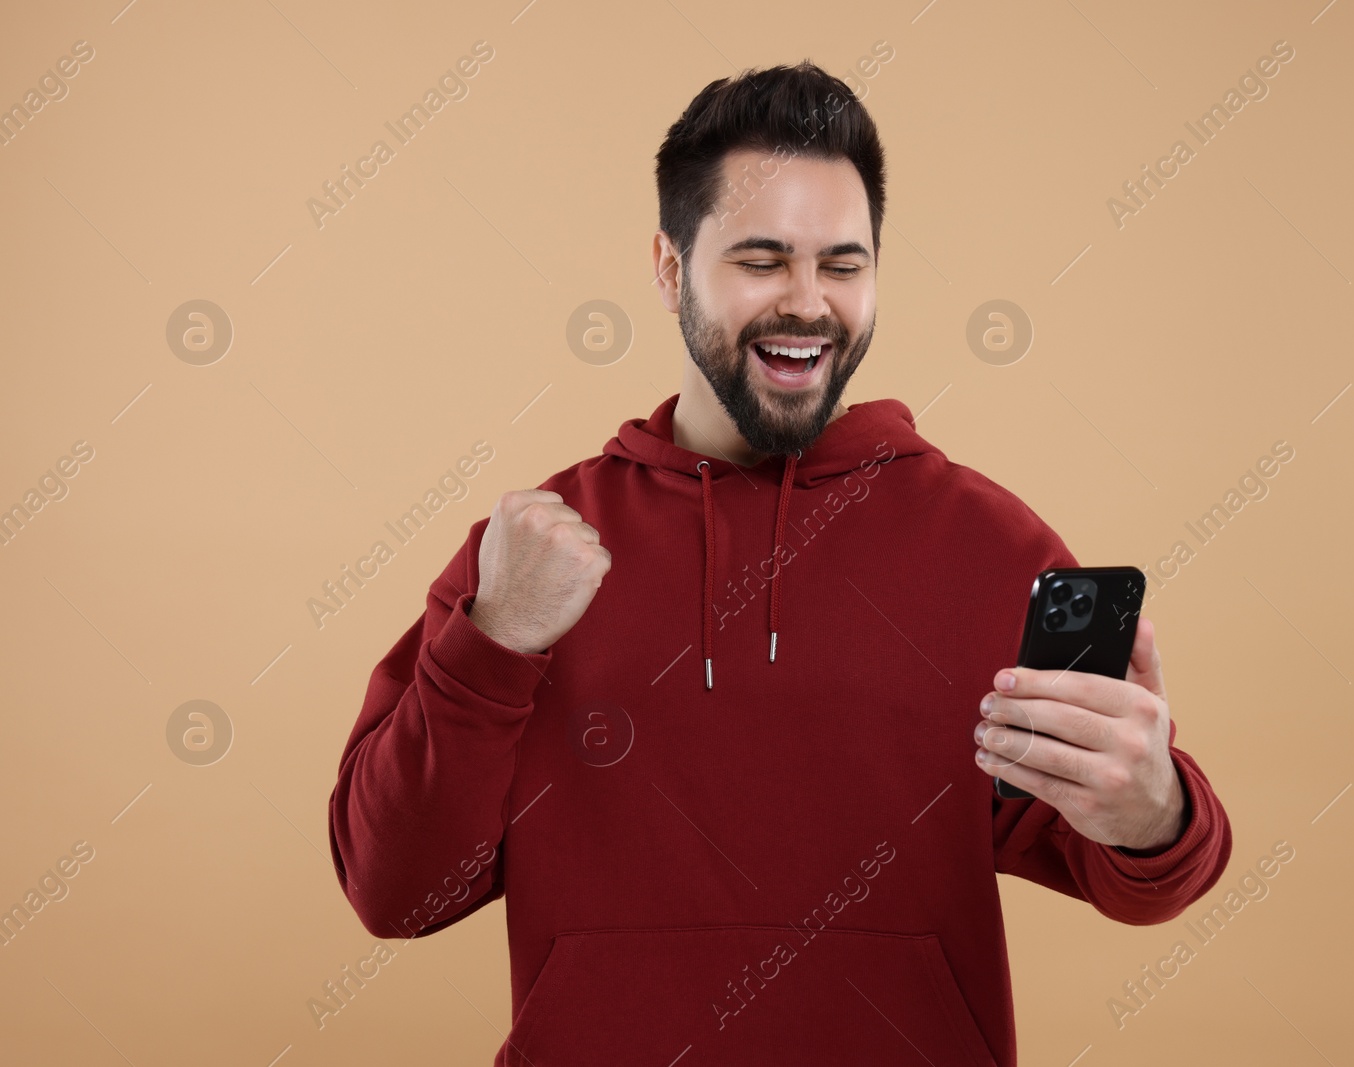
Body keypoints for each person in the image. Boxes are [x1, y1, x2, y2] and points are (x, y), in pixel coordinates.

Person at [328, 60, 1231, 1067]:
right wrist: (491, 642)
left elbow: (1141, 872)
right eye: (762, 259)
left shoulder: (990, 548)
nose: (807, 303)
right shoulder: (536, 549)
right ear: (671, 269)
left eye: (842, 265)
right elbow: (394, 889)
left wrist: (1155, 807)